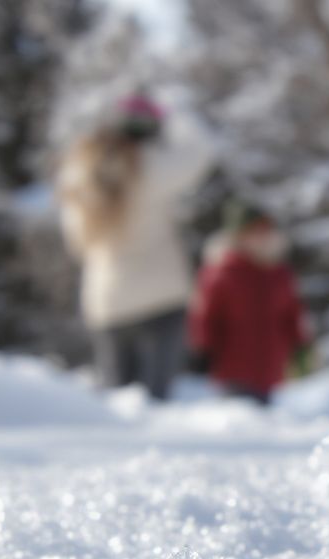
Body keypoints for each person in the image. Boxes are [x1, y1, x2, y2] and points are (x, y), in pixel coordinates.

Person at [58, 94, 215, 400]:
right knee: (156, 398)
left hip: (107, 300)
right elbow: (200, 152)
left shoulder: (80, 177)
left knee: (117, 400)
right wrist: (177, 110)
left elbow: (76, 243)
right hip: (161, 294)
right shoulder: (150, 167)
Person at [188, 202, 308, 405]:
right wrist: (203, 349)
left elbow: (292, 314)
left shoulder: (279, 274)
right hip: (232, 368)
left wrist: (300, 347)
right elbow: (206, 316)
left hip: (269, 367)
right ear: (239, 236)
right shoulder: (222, 273)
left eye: (265, 231)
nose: (261, 238)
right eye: (254, 232)